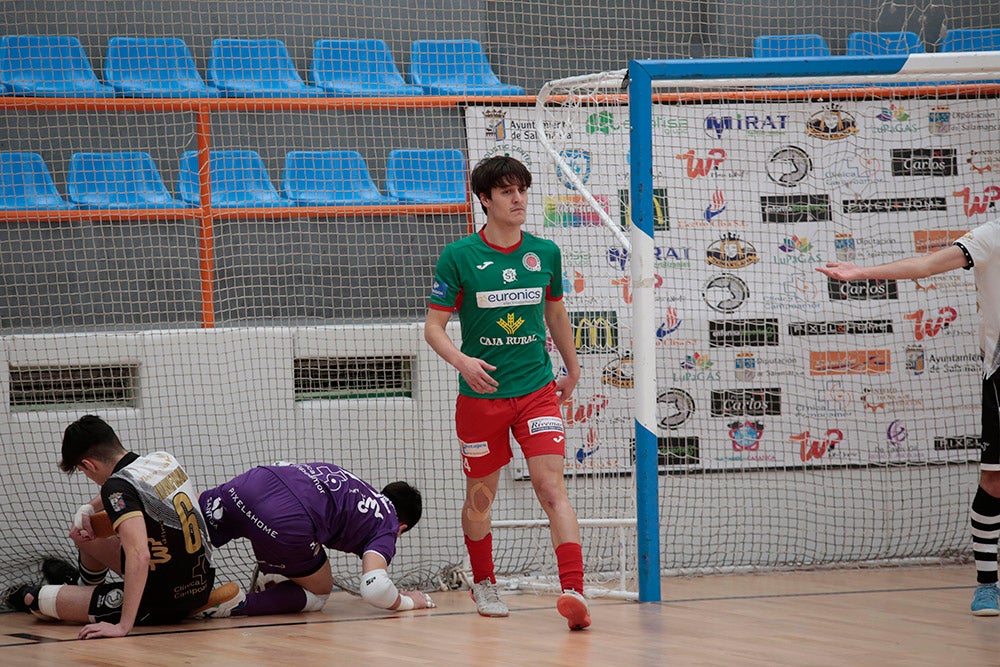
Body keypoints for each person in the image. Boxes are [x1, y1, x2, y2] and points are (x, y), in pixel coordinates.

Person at [423, 155, 590, 630]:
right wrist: (462, 362)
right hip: (482, 398)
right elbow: (433, 328)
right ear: (485, 199)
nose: (519, 199)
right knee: (480, 497)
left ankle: (574, 591)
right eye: (507, 192)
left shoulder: (545, 252)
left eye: (522, 190)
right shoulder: (459, 256)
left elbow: (555, 313)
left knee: (550, 487)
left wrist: (572, 369)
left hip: (537, 391)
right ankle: (484, 581)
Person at [815, 220, 1000, 616]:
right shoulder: (991, 235)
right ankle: (987, 585)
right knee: (995, 480)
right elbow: (927, 266)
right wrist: (861, 273)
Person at [6, 415, 242, 639]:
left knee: (32, 599)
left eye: (83, 471)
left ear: (88, 464)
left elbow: (139, 554)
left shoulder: (116, 488)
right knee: (82, 534)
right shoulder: (163, 459)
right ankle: (82, 588)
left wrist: (123, 626)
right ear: (116, 438)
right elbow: (129, 483)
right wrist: (88, 508)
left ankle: (84, 595)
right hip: (199, 583)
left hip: (160, 600)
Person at [198, 461, 433, 616]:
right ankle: (238, 604)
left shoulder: (357, 486)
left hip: (257, 480)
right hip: (287, 519)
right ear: (402, 527)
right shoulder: (388, 523)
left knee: (192, 516)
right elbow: (375, 589)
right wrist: (409, 602)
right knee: (319, 592)